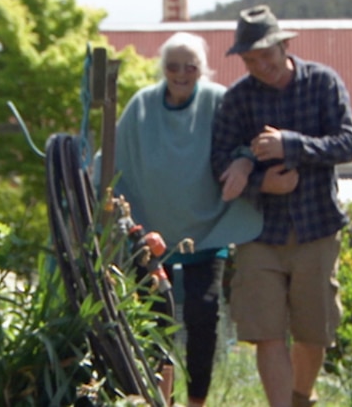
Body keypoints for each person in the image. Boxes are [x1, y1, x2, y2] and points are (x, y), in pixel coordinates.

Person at [95, 32, 263, 407]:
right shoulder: (142, 106)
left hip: (209, 233)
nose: (182, 74)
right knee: (156, 324)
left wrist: (244, 160)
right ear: (163, 68)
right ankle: (161, 399)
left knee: (204, 319)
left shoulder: (220, 101)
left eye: (191, 67)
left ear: (202, 69)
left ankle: (196, 402)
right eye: (173, 66)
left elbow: (249, 143)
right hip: (154, 236)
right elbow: (111, 157)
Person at [211, 5, 352, 407]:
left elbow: (347, 143)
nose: (260, 65)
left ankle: (300, 398)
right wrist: (261, 183)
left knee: (315, 330)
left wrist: (291, 144)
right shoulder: (239, 98)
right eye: (250, 59)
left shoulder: (323, 83)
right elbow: (219, 161)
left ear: (284, 46)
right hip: (261, 232)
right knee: (267, 332)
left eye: (266, 55)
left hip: (317, 227)